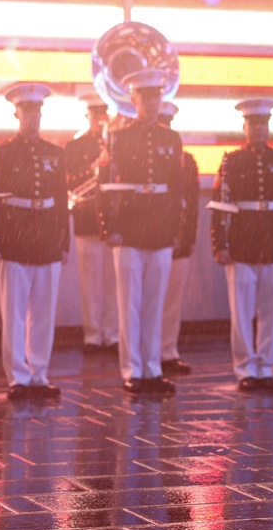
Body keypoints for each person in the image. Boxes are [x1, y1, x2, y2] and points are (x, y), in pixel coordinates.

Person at [0, 83, 68, 402]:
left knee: (44, 312)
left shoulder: (55, 154)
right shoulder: (1, 153)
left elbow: (60, 200)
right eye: (27, 112)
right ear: (16, 113)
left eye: (37, 112)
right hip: (14, 237)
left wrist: (64, 242)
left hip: (46, 238)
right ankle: (18, 376)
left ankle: (39, 374)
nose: (33, 118)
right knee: (14, 312)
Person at [97, 69, 183, 395]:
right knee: (130, 304)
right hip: (129, 228)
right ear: (133, 100)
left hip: (159, 228)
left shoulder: (170, 138)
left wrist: (175, 229)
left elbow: (176, 191)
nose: (150, 102)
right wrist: (111, 227)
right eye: (144, 96)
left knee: (154, 302)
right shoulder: (118, 138)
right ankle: (132, 369)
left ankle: (152, 368)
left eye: (155, 96)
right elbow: (105, 188)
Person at [210, 98, 273, 392]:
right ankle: (245, 367)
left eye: (263, 124)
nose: (258, 129)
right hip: (242, 241)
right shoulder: (231, 161)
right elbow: (221, 205)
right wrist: (220, 243)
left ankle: (265, 366)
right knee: (242, 309)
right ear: (244, 127)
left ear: (268, 126)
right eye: (253, 124)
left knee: (271, 309)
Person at [65, 92, 118, 356]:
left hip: (114, 219)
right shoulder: (76, 146)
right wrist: (95, 168)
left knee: (113, 280)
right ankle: (92, 335)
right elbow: (72, 183)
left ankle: (112, 334)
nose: (100, 118)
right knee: (90, 281)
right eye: (95, 113)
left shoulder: (116, 142)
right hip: (87, 219)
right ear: (87, 115)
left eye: (103, 112)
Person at [157, 102, 199, 377]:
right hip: (154, 236)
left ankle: (167, 351)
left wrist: (190, 236)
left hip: (178, 238)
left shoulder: (187, 160)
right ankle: (147, 352)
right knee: (149, 300)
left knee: (172, 299)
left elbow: (191, 202)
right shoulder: (145, 158)